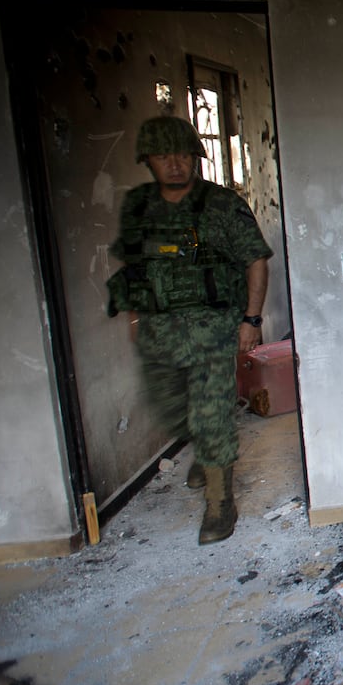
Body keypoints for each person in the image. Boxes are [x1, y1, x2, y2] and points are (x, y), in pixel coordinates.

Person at [107, 116, 273, 544]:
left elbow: (256, 259)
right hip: (160, 331)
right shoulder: (138, 206)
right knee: (171, 409)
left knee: (211, 412)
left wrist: (251, 320)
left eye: (183, 155)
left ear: (195, 158)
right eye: (164, 156)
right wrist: (134, 319)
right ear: (149, 161)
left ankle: (220, 504)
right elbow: (131, 267)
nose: (175, 164)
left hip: (212, 330)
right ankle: (203, 445)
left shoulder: (221, 204)